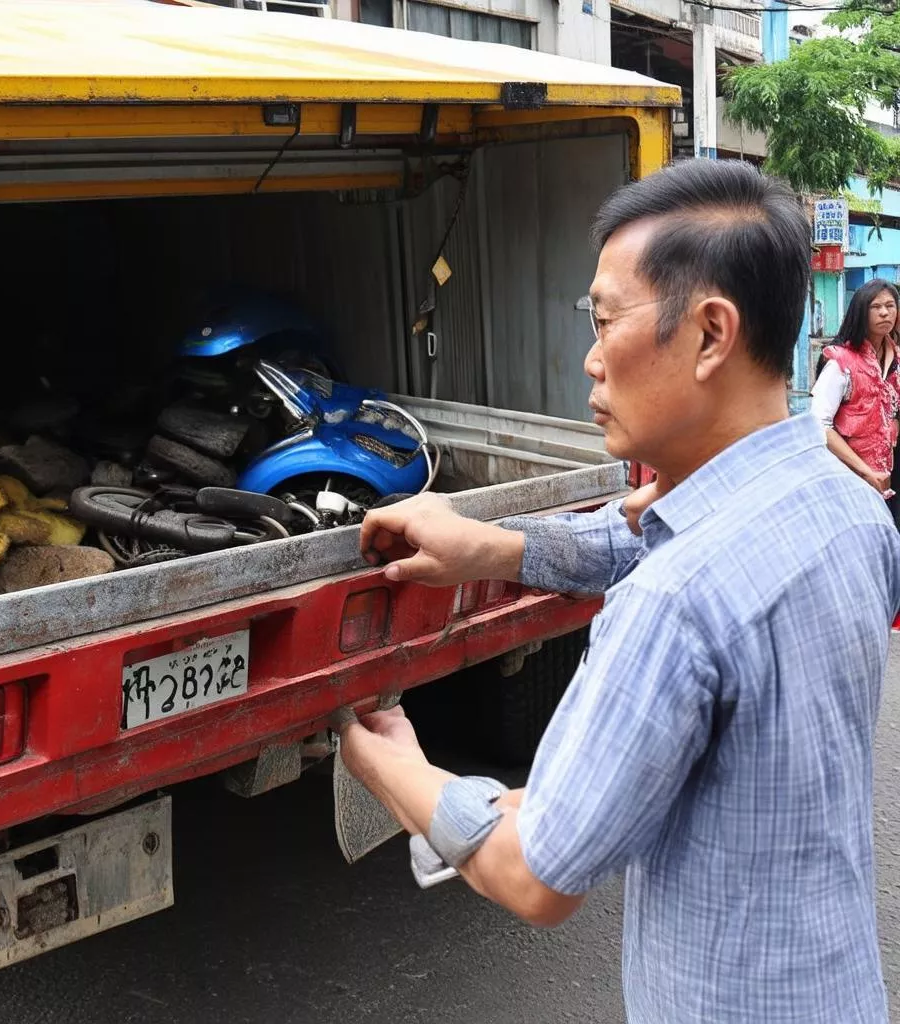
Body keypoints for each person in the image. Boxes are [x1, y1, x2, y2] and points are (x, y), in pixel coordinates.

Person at [336, 159, 900, 1024]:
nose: (592, 360)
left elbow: (534, 874)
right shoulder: (851, 509)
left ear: (711, 334)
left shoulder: (675, 603)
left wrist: (396, 770)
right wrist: (485, 546)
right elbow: (652, 531)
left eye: (605, 320)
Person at [811, 278, 900, 498]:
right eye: (875, 306)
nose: (884, 313)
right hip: (846, 479)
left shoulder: (895, 360)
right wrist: (865, 471)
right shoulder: (840, 361)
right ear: (861, 312)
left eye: (890, 306)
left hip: (886, 478)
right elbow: (819, 423)